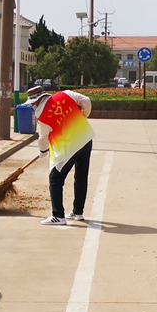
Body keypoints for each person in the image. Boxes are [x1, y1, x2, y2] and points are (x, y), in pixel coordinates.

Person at [25, 85, 95, 225]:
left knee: (55, 178)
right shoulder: (65, 94)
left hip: (70, 146)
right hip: (86, 137)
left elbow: (43, 137)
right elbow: (86, 101)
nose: (32, 105)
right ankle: (78, 212)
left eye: (32, 103)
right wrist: (83, 116)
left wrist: (43, 150)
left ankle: (58, 215)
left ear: (37, 100)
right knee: (81, 176)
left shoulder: (42, 115)